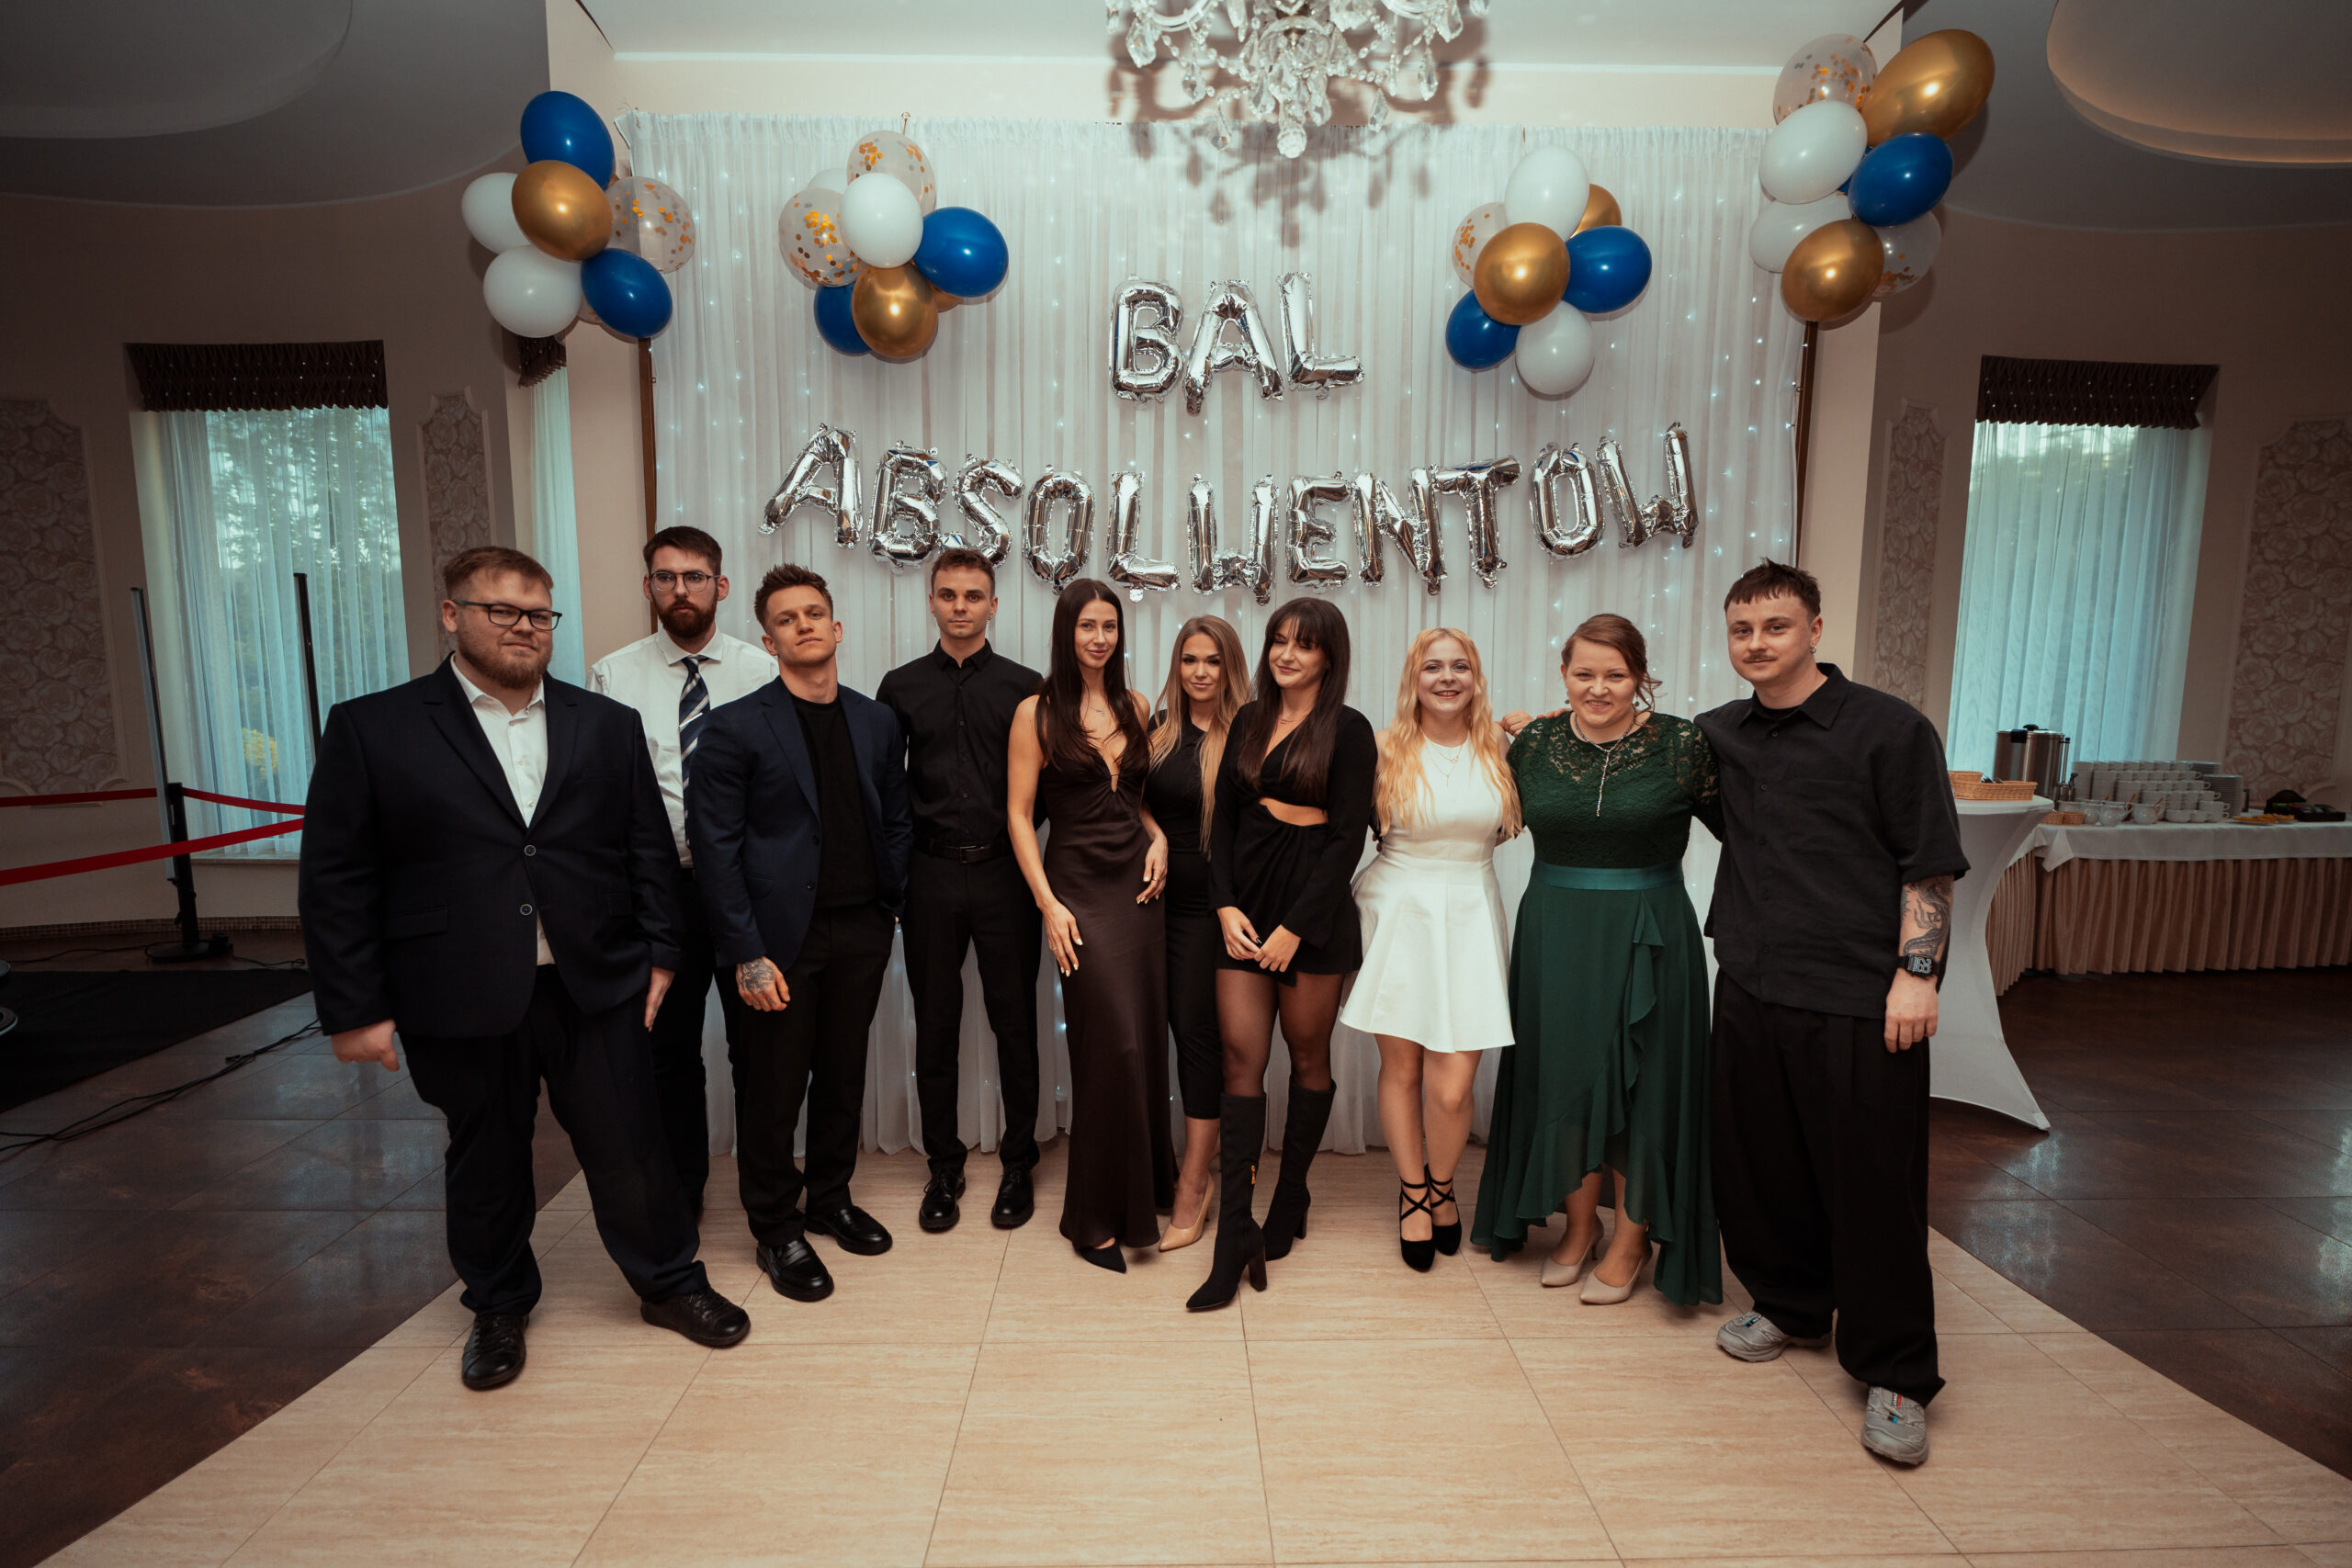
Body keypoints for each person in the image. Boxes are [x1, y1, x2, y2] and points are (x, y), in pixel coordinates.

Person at [300, 545, 749, 1392]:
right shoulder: (373, 727)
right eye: (499, 609)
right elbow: (337, 877)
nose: (522, 627)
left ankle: (669, 1281)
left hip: (595, 980)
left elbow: (646, 848)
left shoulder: (603, 721)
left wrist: (663, 952)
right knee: (488, 1153)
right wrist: (354, 1007)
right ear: (451, 614)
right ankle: (499, 1303)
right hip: (455, 986)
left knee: (631, 1142)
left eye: (538, 614)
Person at [1699, 559, 1966, 1468]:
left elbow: (1928, 861)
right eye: (1741, 630)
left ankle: (1896, 1370)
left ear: (1814, 629)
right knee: (1760, 1165)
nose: (1756, 644)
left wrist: (1917, 974)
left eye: (1775, 626)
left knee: (1874, 1186)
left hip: (1861, 994)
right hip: (1750, 981)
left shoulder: (1891, 730)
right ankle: (1790, 1304)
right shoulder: (1720, 733)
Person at [1474, 615, 1723, 1311]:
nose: (1598, 688)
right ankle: (1580, 1226)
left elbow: (1748, 832)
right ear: (1563, 674)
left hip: (1652, 930)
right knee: (1566, 1075)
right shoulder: (1535, 744)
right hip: (1556, 929)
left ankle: (1633, 1238)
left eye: (1615, 674)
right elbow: (1488, 821)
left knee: (1648, 1082)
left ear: (1640, 676)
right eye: (1584, 673)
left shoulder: (1682, 744)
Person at [687, 563, 912, 1304]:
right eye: (787, 619)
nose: (804, 625)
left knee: (844, 1075)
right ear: (768, 640)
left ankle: (830, 1198)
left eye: (814, 613)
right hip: (778, 941)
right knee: (774, 1086)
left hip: (862, 929)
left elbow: (896, 818)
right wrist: (746, 952)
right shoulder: (733, 726)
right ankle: (776, 1225)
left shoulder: (876, 721)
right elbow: (714, 849)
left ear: (836, 626)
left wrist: (891, 902)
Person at [1189, 598, 1377, 1312]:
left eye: (1303, 644)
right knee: (1241, 1059)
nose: (1286, 654)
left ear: (1329, 656)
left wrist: (1298, 926)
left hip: (1312, 917)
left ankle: (1291, 1193)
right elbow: (1223, 824)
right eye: (1278, 640)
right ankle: (1233, 1233)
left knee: (1306, 1057)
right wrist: (1225, 906)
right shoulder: (1247, 718)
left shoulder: (1349, 729)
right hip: (1244, 909)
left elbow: (1347, 838)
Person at [588, 525, 774, 1219]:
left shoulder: (761, 670)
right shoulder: (612, 676)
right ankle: (683, 1190)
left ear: (720, 586)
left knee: (757, 1049)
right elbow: (602, 793)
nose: (680, 590)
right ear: (648, 588)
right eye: (665, 578)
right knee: (667, 1049)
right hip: (659, 893)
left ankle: (765, 1192)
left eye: (695, 577)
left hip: (744, 891)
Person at [876, 548, 1047, 1235]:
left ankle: (1019, 1160)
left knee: (1016, 1021)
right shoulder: (900, 687)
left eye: (973, 596)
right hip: (930, 874)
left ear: (993, 606)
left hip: (1006, 873)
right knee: (936, 1023)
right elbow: (888, 788)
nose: (960, 606)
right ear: (931, 601)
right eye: (948, 594)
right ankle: (943, 1166)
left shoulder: (1026, 687)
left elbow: (1042, 790)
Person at [1006, 580, 1174, 1271]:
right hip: (1076, 889)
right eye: (1087, 626)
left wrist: (1160, 836)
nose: (1100, 638)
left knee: (1144, 1041)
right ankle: (1092, 1218)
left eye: (1109, 626)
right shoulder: (1036, 712)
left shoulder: (1136, 705)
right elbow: (1019, 815)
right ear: (1065, 632)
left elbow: (1134, 798)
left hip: (1139, 889)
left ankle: (1145, 1192)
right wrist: (1048, 904)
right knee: (1111, 1049)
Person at [1340, 628, 1519, 1271]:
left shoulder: (1501, 744)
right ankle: (1414, 1193)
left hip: (1471, 908)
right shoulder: (1381, 746)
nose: (1447, 678)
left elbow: (1507, 828)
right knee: (1404, 1068)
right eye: (1433, 667)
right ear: (1413, 678)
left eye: (1459, 666)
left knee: (1452, 1085)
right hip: (1398, 910)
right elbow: (1345, 827)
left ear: (1476, 676)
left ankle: (1442, 1185)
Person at [1141, 615, 1251, 1252]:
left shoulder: (1249, 734)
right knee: (1146, 1037)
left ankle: (1194, 1181)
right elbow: (1129, 798)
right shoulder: (1158, 729)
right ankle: (1161, 1169)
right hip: (1147, 907)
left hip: (1210, 913)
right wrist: (1154, 833)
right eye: (1189, 660)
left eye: (1212, 660)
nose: (1200, 672)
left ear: (1230, 667)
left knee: (1196, 1039)